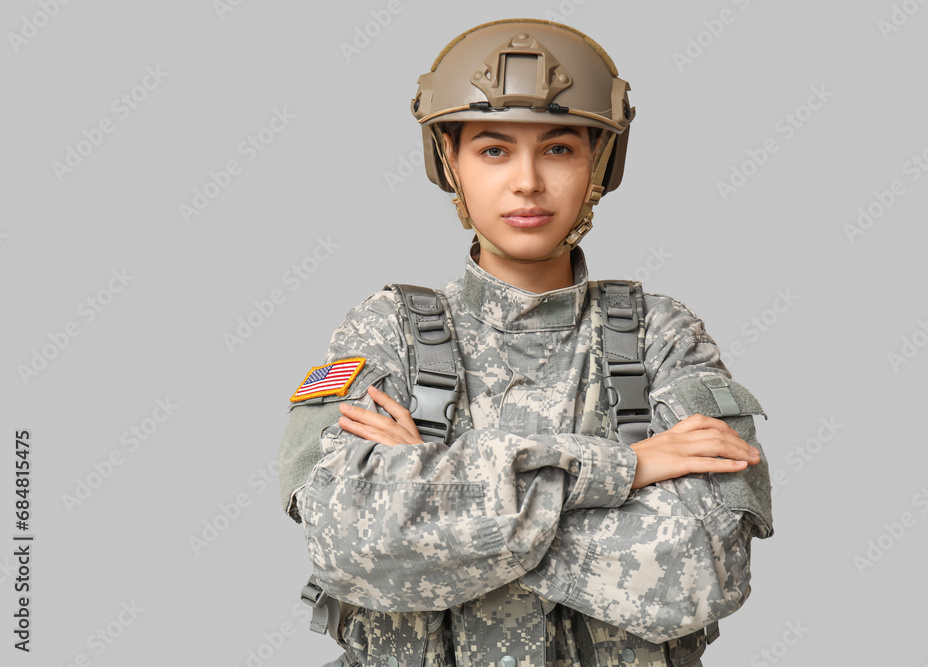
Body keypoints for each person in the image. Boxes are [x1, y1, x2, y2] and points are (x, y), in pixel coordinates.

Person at [278, 18, 773, 667]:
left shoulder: (663, 335)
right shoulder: (384, 329)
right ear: (449, 161)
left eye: (560, 148)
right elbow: (347, 540)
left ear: (600, 160)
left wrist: (437, 491)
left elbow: (703, 570)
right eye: (493, 149)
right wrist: (627, 468)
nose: (528, 181)